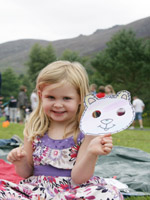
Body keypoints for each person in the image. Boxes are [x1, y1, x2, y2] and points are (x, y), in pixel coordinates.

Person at [0, 61, 123, 200]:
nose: (58, 104)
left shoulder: (87, 131)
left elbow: (79, 178)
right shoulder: (34, 128)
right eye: (51, 97)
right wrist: (20, 162)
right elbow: (26, 173)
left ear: (80, 99)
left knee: (108, 193)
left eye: (66, 98)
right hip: (37, 192)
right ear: (41, 95)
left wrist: (91, 153)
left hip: (73, 191)